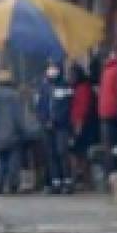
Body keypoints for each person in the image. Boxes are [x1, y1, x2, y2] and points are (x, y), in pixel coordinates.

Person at [0, 69, 27, 195]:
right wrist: (23, 129)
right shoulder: (14, 96)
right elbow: (18, 116)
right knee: (13, 162)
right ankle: (12, 185)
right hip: (12, 134)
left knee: (1, 161)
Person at [35, 64, 73, 194]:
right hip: (47, 126)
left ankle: (67, 181)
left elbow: (67, 106)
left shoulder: (64, 85)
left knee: (62, 152)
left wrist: (55, 120)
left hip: (61, 125)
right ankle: (55, 182)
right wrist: (44, 120)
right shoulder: (43, 87)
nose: (51, 71)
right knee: (50, 154)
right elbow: (39, 106)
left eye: (54, 68)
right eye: (50, 68)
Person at [69, 63, 96, 190]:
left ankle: (85, 181)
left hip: (82, 125)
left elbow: (82, 108)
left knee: (80, 153)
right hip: (80, 124)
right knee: (79, 153)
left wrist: (78, 126)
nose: (70, 77)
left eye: (72, 74)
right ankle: (82, 179)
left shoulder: (83, 88)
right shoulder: (79, 88)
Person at [98, 50, 117, 180]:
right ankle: (116, 170)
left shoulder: (106, 71)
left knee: (108, 146)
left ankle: (108, 173)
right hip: (114, 113)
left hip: (104, 113)